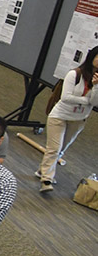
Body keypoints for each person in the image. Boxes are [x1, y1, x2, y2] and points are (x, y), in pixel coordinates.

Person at [39, 45, 98, 192]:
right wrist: (86, 100)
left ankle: (43, 170)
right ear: (92, 58)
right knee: (54, 148)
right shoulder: (75, 74)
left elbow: (95, 103)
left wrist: (96, 87)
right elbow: (66, 97)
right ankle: (46, 179)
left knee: (61, 150)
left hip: (79, 119)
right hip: (60, 116)